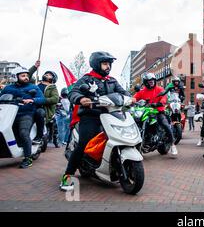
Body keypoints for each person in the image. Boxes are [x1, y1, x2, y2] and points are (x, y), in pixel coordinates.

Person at [60, 51, 130, 191]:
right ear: (96, 65)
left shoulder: (112, 81)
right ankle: (67, 176)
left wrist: (130, 98)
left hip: (111, 115)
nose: (108, 66)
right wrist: (81, 99)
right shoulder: (87, 79)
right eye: (105, 64)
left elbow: (124, 93)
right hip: (91, 116)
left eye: (109, 64)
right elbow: (73, 92)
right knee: (83, 144)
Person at [0, 67, 45, 168]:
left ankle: (28, 158)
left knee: (23, 133)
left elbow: (42, 99)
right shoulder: (8, 88)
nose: (26, 77)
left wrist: (32, 100)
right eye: (23, 75)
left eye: (26, 75)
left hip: (26, 114)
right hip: (9, 115)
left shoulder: (33, 87)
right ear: (15, 77)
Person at [132, 72, 178, 156]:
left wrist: (160, 103)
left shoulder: (159, 89)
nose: (151, 83)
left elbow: (164, 97)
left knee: (165, 124)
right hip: (147, 111)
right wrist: (130, 101)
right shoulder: (142, 91)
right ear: (145, 82)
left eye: (152, 81)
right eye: (149, 81)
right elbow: (135, 98)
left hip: (158, 111)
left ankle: (172, 144)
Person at [29, 62, 60, 147]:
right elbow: (26, 76)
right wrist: (34, 67)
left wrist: (41, 101)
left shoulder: (52, 87)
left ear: (52, 79)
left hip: (43, 109)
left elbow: (55, 99)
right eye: (46, 73)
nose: (47, 74)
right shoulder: (36, 84)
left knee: (40, 113)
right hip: (31, 107)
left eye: (49, 75)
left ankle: (39, 137)